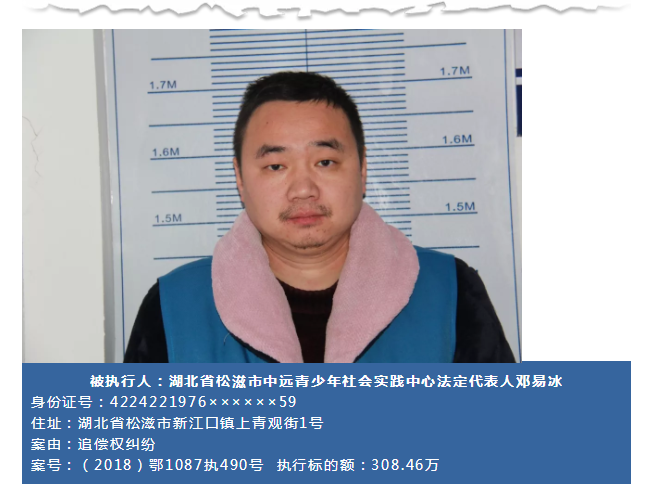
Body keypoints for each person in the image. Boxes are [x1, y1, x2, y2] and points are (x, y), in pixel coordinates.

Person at [125, 71, 515, 364]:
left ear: (362, 170)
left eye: (325, 162)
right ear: (240, 180)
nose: (303, 189)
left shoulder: (449, 292)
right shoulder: (173, 307)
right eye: (275, 166)